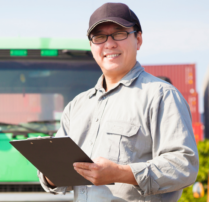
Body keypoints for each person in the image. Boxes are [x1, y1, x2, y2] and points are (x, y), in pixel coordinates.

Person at [38, 2, 199, 201]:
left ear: (138, 39)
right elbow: (56, 171)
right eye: (99, 37)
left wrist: (121, 173)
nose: (109, 44)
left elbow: (184, 166)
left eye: (119, 33)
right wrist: (50, 174)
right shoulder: (77, 106)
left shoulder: (161, 95)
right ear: (91, 45)